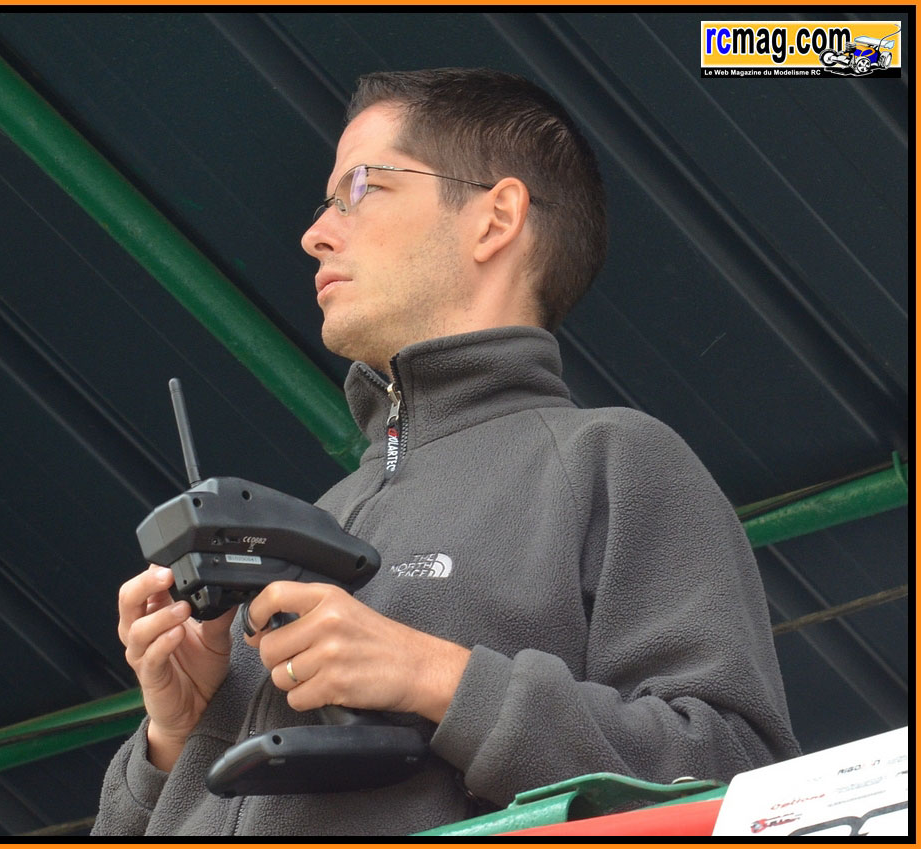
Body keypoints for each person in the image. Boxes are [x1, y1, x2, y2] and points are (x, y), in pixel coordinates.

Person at [92, 68, 799, 836]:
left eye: (359, 187)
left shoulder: (616, 462)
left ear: (496, 218)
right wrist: (171, 736)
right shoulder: (314, 520)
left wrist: (437, 676)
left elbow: (740, 778)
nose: (315, 234)